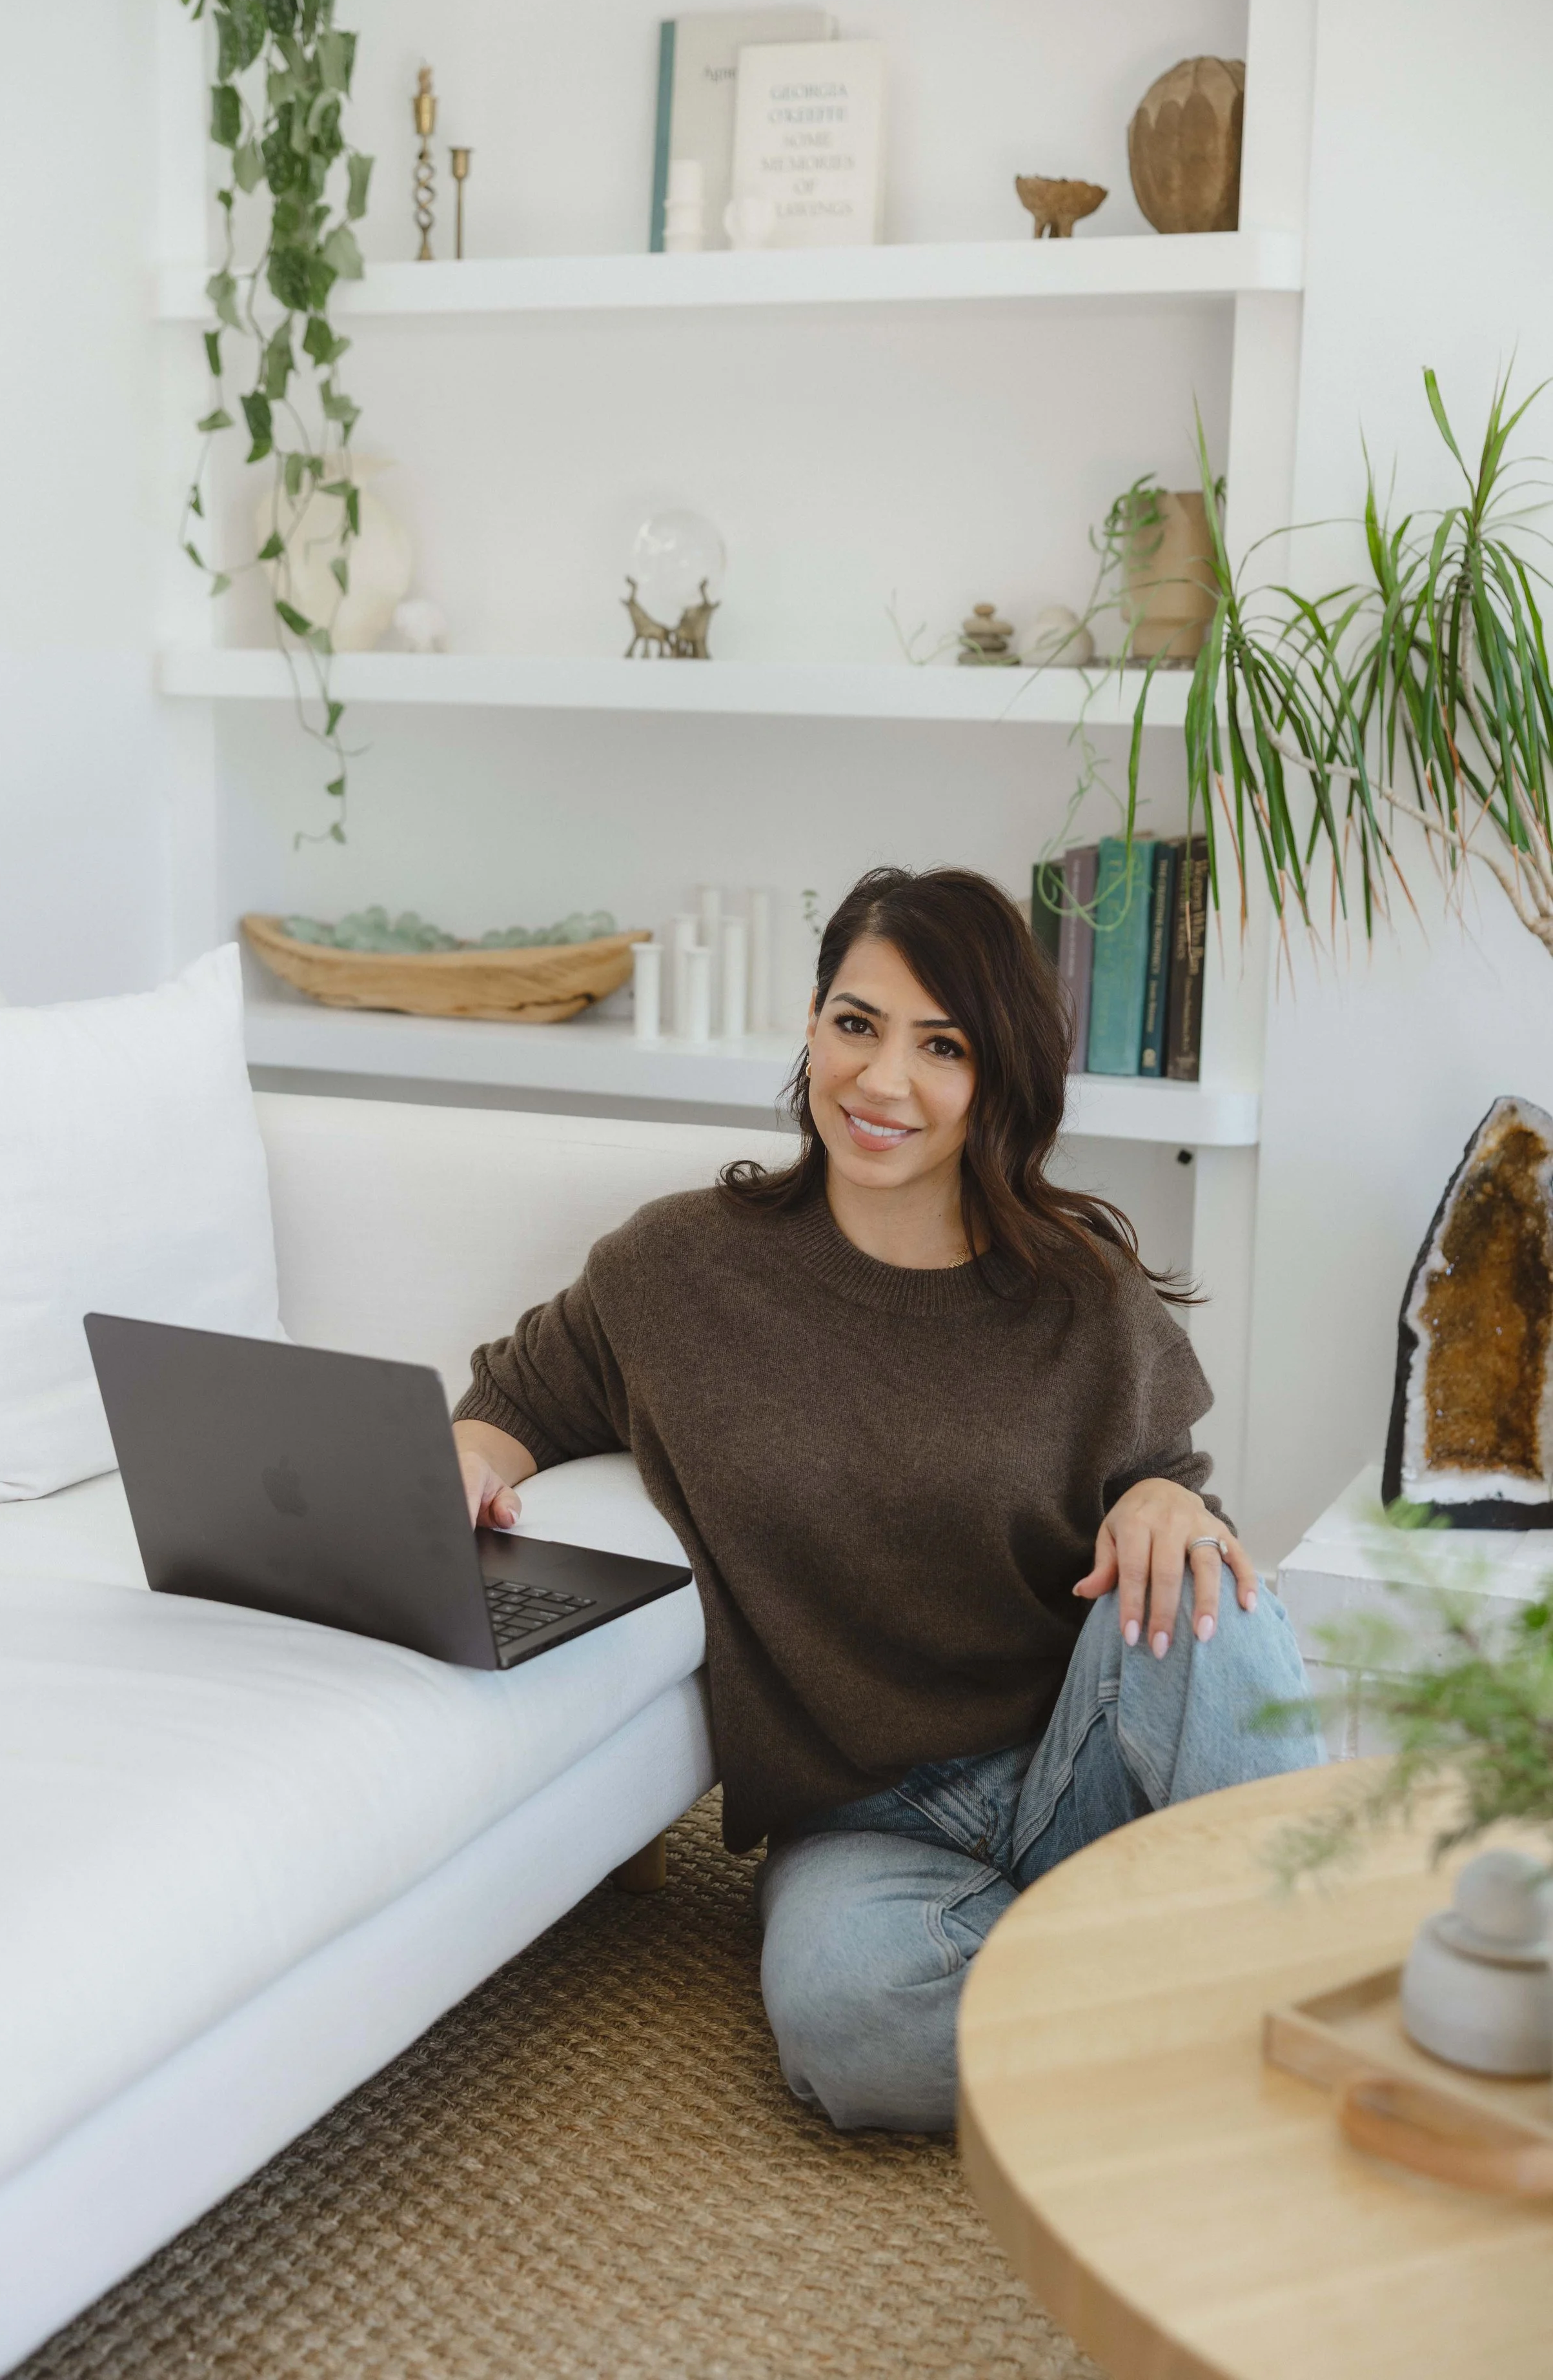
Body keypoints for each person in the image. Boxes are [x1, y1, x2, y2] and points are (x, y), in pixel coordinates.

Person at [452, 865, 1318, 2133]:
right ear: (810, 1027)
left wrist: (1165, 1511)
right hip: (865, 1823)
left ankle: (1276, 1967)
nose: (881, 1081)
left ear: (997, 1081)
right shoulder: (676, 1269)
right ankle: (1188, 1990)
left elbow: (1160, 1497)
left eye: (940, 1046)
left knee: (1221, 1611)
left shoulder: (1077, 1293)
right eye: (854, 1025)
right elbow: (515, 1402)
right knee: (853, 2029)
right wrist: (470, 1462)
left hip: (1070, 1759)